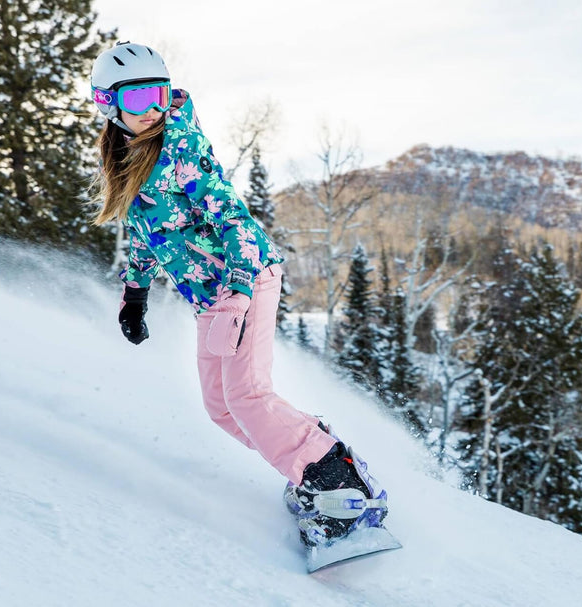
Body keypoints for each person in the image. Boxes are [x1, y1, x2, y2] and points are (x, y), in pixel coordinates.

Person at [88, 42, 388, 545]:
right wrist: (135, 293)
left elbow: (236, 221)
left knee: (248, 397)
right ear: (108, 104)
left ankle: (343, 489)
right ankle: (317, 456)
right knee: (222, 408)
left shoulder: (178, 150)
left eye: (159, 94)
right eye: (139, 99)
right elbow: (146, 232)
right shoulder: (126, 157)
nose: (153, 109)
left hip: (244, 279)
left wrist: (239, 292)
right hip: (212, 297)